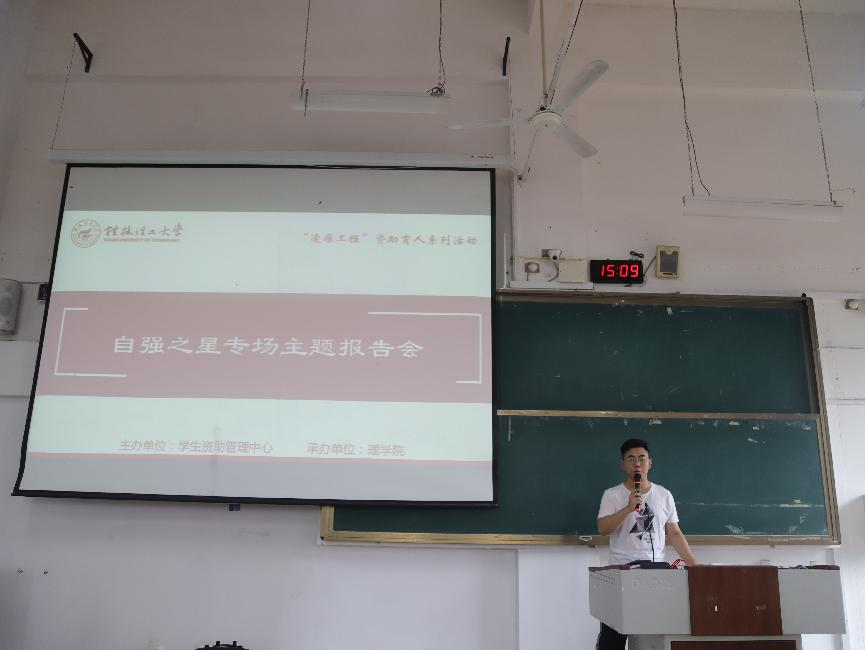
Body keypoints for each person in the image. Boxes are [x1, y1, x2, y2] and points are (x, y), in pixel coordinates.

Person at [595, 438, 698, 650]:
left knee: (654, 636)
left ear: (650, 463)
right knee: (612, 638)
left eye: (642, 459)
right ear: (622, 464)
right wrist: (628, 508)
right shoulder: (612, 495)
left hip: (656, 574)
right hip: (622, 572)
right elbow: (603, 528)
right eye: (631, 459)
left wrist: (695, 566)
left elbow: (674, 533)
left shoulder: (664, 495)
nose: (637, 464)